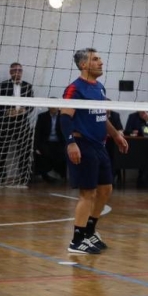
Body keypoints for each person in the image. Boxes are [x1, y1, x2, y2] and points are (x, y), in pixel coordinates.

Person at [61, 48, 128, 254]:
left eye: (100, 59)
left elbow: (101, 117)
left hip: (100, 145)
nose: (101, 62)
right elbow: (65, 117)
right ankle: (76, 240)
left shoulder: (99, 87)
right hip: (83, 145)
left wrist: (116, 135)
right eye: (95, 59)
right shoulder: (75, 89)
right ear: (83, 65)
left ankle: (89, 232)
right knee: (87, 193)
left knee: (106, 189)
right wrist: (71, 143)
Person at [0, 62, 34, 183]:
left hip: (22, 122)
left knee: (24, 149)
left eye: (19, 70)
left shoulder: (28, 86)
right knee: (3, 150)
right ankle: (1, 175)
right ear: (10, 72)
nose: (17, 72)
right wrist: (7, 112)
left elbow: (32, 104)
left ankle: (24, 176)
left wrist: (24, 110)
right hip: (5, 122)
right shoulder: (2, 85)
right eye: (15, 70)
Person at [33, 105, 67, 183]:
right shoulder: (42, 116)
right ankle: (46, 175)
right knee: (44, 153)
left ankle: (62, 175)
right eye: (52, 106)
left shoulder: (63, 116)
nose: (54, 108)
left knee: (61, 154)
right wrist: (36, 147)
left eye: (56, 106)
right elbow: (38, 133)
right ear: (48, 107)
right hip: (46, 142)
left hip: (59, 142)